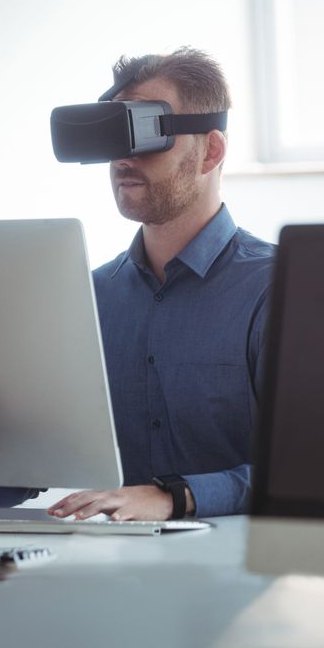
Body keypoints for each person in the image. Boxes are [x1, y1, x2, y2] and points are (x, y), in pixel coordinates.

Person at [46, 47, 274, 522]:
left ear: (211, 151)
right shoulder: (90, 299)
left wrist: (175, 496)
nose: (124, 159)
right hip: (116, 571)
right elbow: (39, 453)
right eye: (115, 135)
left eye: (145, 132)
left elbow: (312, 466)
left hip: (243, 573)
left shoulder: (275, 291)